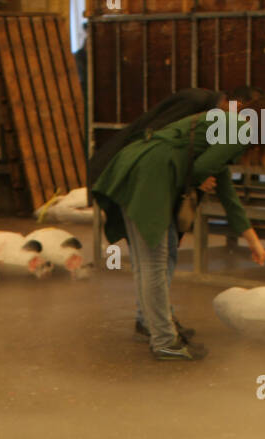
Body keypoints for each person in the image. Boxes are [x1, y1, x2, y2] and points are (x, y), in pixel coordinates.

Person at [92, 88, 265, 361]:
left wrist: (253, 241)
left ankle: (154, 327)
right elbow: (203, 169)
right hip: (149, 177)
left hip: (137, 170)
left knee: (150, 261)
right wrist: (199, 177)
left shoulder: (219, 122)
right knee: (154, 262)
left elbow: (224, 189)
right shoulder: (239, 127)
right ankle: (165, 341)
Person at [89, 87, 223, 342]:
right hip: (140, 182)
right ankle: (161, 334)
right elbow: (163, 150)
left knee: (158, 257)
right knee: (153, 261)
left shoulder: (208, 118)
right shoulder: (195, 107)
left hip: (149, 185)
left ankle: (151, 320)